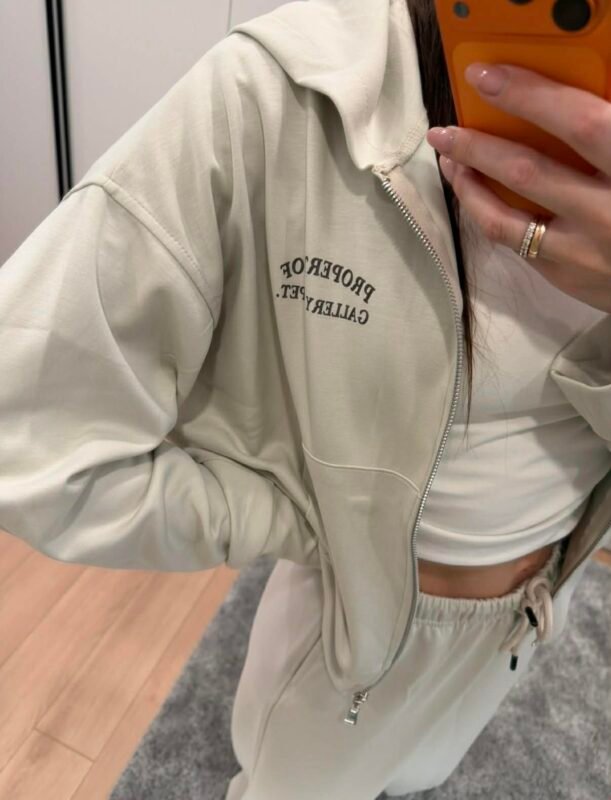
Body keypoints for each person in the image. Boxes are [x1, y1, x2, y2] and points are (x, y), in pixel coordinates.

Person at [1, 0, 610, 797]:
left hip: (536, 600)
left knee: (422, 769)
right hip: (352, 635)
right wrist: (288, 514)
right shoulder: (282, 89)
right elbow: (28, 435)